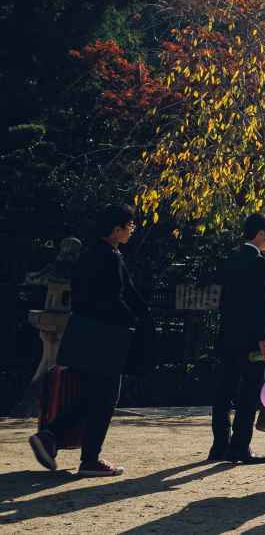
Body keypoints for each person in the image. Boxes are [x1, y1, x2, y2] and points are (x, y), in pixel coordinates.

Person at [29, 203, 149, 477]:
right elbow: (115, 297)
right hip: (106, 336)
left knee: (90, 395)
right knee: (106, 397)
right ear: (116, 229)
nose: (131, 231)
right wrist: (134, 320)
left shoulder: (88, 254)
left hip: (83, 332)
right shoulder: (109, 256)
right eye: (129, 226)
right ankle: (90, 458)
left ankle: (50, 435)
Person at [210, 212, 265, 465]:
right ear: (260, 234)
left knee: (223, 391)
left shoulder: (231, 258)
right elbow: (257, 304)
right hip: (250, 339)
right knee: (249, 393)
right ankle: (240, 447)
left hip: (228, 334)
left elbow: (227, 301)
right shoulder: (258, 261)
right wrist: (264, 338)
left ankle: (219, 445)